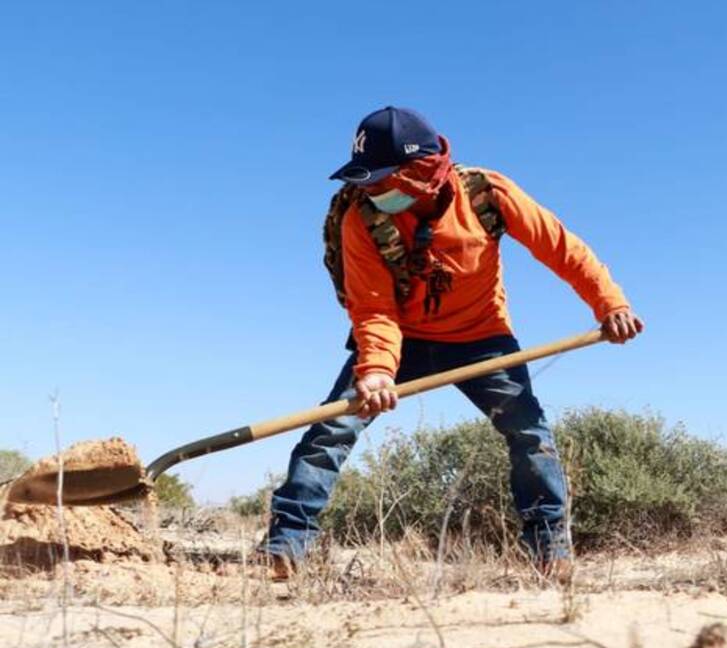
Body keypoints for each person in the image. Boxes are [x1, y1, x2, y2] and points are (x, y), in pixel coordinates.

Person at [261, 106, 643, 580]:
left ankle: (550, 552)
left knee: (530, 435)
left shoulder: (488, 193)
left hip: (482, 337)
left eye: (381, 180)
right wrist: (377, 370)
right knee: (333, 429)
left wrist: (610, 304)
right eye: (365, 180)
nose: (370, 190)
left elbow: (561, 248)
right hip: (399, 339)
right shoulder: (359, 217)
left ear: (422, 172)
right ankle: (286, 546)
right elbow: (372, 305)